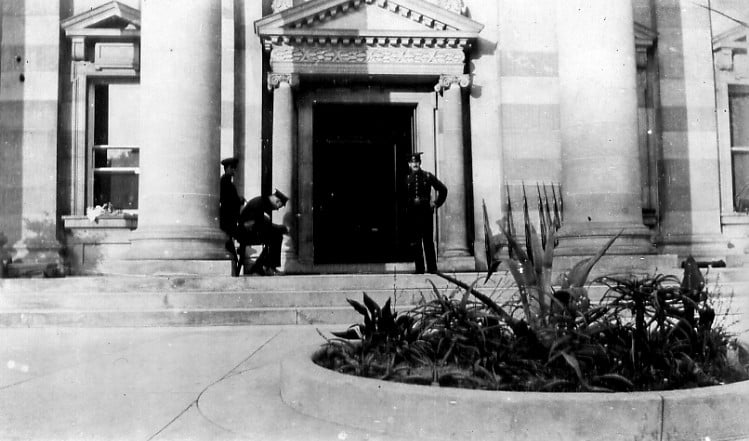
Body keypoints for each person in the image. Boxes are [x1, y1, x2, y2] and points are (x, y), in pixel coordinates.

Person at [406, 152, 447, 274]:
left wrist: (435, 203)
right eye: (413, 162)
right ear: (409, 164)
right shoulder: (406, 179)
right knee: (416, 241)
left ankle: (432, 268)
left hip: (425, 212)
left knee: (428, 240)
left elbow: (443, 189)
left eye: (417, 162)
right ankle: (419, 268)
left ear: (420, 163)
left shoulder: (427, 176)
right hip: (413, 213)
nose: (415, 164)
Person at [239, 189, 290, 276]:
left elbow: (263, 224)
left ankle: (260, 267)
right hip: (247, 233)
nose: (277, 209)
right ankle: (268, 267)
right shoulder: (260, 203)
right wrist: (281, 228)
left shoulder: (262, 202)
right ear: (277, 201)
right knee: (276, 237)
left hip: (250, 231)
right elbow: (260, 224)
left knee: (274, 236)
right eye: (279, 207)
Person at [219, 157, 245, 275]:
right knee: (229, 242)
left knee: (229, 243)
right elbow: (228, 201)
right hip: (228, 218)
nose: (235, 171)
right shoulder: (225, 182)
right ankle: (234, 268)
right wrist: (239, 201)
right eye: (233, 168)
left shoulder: (227, 182)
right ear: (228, 168)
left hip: (229, 218)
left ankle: (234, 268)